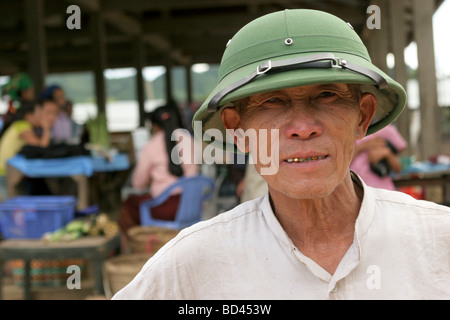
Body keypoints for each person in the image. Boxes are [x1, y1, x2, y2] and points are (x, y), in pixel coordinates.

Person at [113, 9, 450, 299]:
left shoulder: (437, 239)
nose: (303, 127)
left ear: (361, 117)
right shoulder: (193, 261)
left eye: (327, 95)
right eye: (272, 101)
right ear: (237, 130)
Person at [118, 105, 198, 246]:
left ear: (154, 126)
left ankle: (137, 249)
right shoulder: (188, 139)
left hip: (165, 208)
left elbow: (138, 183)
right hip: (191, 204)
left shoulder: (151, 145)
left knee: (128, 204)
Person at [0, 99, 58, 200]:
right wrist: (46, 128)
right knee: (9, 206)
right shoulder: (22, 126)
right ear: (29, 117)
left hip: (9, 171)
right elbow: (41, 147)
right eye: (39, 115)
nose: (42, 118)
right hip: (4, 173)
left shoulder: (24, 126)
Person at [350, 124, 407, 190]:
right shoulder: (350, 130)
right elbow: (344, 162)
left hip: (382, 190)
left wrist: (387, 153)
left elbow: (398, 169)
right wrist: (362, 146)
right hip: (357, 189)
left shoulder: (386, 129)